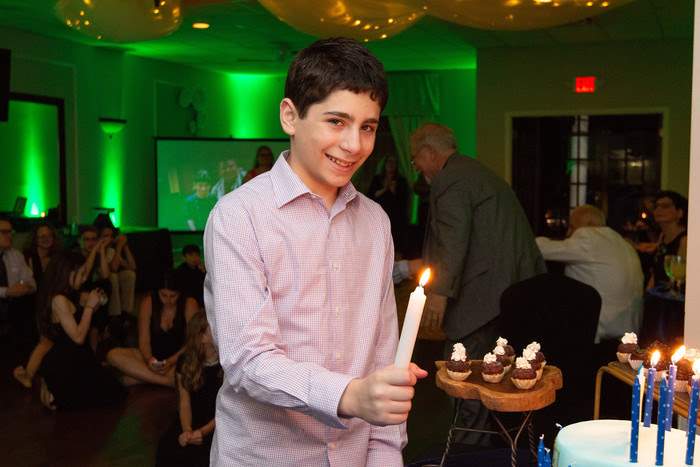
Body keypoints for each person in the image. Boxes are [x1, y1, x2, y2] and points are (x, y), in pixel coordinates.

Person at [203, 37, 427, 466]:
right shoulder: (238, 217)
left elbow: (385, 352)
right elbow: (249, 361)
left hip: (357, 455)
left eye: (368, 126)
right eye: (336, 121)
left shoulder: (376, 221)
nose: (354, 145)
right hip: (265, 456)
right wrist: (349, 395)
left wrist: (385, 454)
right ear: (290, 116)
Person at [410, 122, 545, 444]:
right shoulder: (472, 172)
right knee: (489, 370)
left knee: (464, 371)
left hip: (482, 296)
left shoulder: (451, 179)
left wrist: (439, 293)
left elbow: (452, 240)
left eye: (416, 157)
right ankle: (483, 446)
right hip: (506, 289)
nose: (415, 165)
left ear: (430, 152)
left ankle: (468, 451)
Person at [536, 205, 644, 342]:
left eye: (572, 227)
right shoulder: (624, 244)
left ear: (589, 225)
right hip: (629, 329)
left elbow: (541, 249)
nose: (569, 233)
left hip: (599, 331)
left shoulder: (590, 237)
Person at [36, 252, 126, 410]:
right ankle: (50, 389)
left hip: (79, 357)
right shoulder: (59, 300)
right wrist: (90, 308)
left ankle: (50, 389)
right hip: (65, 362)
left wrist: (95, 302)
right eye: (82, 273)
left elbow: (102, 295)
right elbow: (78, 337)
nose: (85, 278)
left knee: (116, 391)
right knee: (107, 397)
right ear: (67, 273)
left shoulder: (72, 293)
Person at [106, 273, 198, 387]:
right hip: (154, 357)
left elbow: (192, 342)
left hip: (179, 359)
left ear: (180, 293)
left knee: (190, 368)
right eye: (163, 295)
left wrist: (170, 361)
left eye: (173, 296)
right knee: (112, 355)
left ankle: (139, 377)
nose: (168, 300)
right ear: (157, 292)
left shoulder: (189, 304)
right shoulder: (148, 303)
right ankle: (167, 381)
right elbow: (144, 341)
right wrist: (149, 360)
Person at [155, 312, 222, 467]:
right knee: (168, 449)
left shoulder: (225, 364)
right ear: (202, 337)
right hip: (193, 418)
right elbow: (184, 402)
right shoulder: (185, 361)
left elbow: (226, 409)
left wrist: (203, 432)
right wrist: (187, 430)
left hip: (218, 422)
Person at [0, 217, 37, 360]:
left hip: (13, 316)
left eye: (11, 232)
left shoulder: (16, 255)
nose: (10, 235)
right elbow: (9, 291)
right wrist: (7, 291)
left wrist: (25, 288)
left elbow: (32, 283)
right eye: (4, 232)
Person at [368, 155, 410, 254]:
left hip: (395, 216)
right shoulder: (377, 179)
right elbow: (370, 195)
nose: (391, 165)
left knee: (394, 238)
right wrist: (385, 189)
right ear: (384, 164)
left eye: (394, 163)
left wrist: (393, 190)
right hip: (379, 213)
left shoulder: (401, 181)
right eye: (389, 162)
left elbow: (403, 199)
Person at [648, 190, 688, 289]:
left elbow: (681, 279)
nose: (658, 210)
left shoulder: (685, 241)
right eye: (656, 206)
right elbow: (656, 271)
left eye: (665, 206)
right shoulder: (662, 237)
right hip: (659, 296)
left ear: (680, 213)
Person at [99, 226, 137, 318]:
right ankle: (115, 315)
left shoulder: (112, 249)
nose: (109, 238)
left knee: (130, 275)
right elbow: (114, 268)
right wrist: (119, 246)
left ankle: (126, 313)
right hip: (101, 277)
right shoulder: (100, 248)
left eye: (111, 236)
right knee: (113, 277)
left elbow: (133, 266)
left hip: (113, 274)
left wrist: (125, 245)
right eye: (106, 236)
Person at [23, 223, 62, 288]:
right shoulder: (26, 256)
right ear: (35, 239)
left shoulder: (58, 256)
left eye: (49, 236)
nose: (46, 239)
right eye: (42, 236)